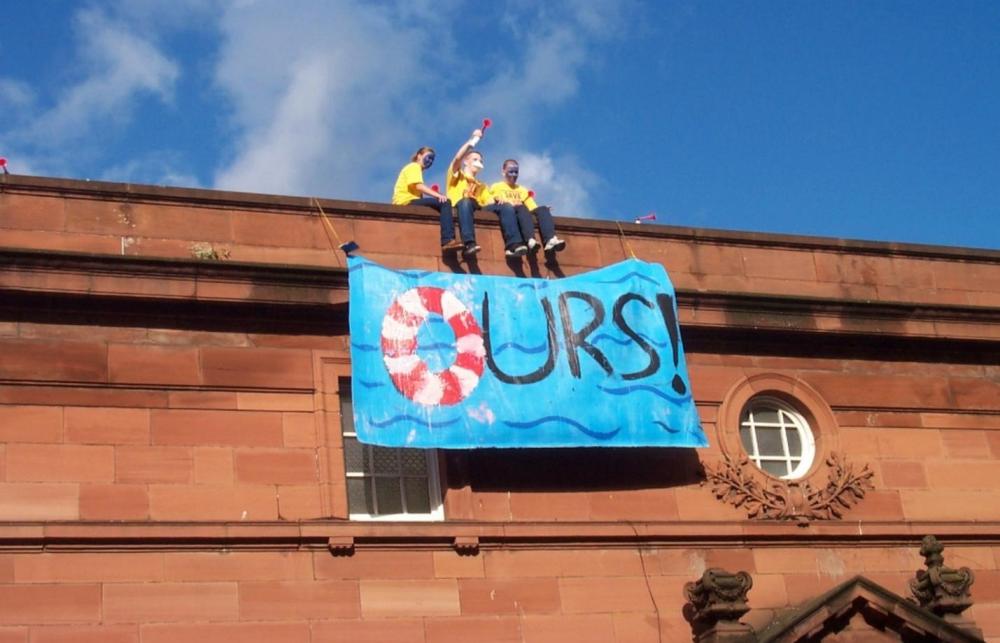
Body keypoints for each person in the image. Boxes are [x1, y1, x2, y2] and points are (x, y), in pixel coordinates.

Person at [446, 130, 527, 257]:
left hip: (478, 207)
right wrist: (472, 140)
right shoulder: (457, 175)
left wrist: (505, 201)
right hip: (461, 205)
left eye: (481, 160)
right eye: (475, 159)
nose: (479, 162)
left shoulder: (482, 185)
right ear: (466, 162)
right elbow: (457, 158)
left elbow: (488, 201)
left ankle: (513, 245)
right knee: (466, 202)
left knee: (505, 207)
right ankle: (469, 243)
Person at [392, 147, 463, 252]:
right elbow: (419, 186)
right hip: (405, 201)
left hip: (407, 201)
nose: (430, 161)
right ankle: (447, 240)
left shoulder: (415, 169)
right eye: (428, 157)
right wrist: (437, 195)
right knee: (445, 203)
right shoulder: (414, 166)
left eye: (432, 160)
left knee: (440, 202)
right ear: (419, 155)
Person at [490, 159, 567, 253]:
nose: (514, 175)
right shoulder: (497, 186)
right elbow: (495, 199)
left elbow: (532, 206)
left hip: (524, 212)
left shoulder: (522, 189)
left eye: (516, 172)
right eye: (511, 171)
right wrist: (510, 202)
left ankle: (550, 240)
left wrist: (543, 210)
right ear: (503, 172)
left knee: (543, 209)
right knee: (521, 208)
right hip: (511, 213)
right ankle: (530, 240)